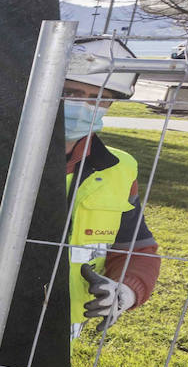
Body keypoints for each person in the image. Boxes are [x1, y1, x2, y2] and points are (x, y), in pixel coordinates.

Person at [62, 35, 160, 337]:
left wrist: (124, 291)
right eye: (71, 92)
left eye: (98, 98)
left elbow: (137, 248)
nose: (84, 106)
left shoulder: (120, 168)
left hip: (59, 329)